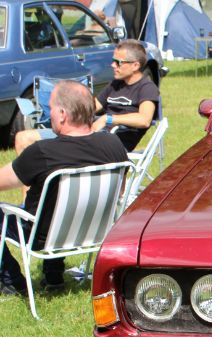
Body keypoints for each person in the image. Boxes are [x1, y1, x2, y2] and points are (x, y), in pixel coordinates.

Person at [0, 81, 128, 296]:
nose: (49, 114)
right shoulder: (114, 145)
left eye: (50, 108)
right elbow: (120, 192)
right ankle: (53, 277)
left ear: (62, 114)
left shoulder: (42, 152)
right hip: (94, 230)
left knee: (45, 213)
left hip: (43, 237)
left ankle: (11, 281)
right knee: (55, 210)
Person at [15, 40, 160, 155]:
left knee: (59, 149)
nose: (112, 65)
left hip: (109, 143)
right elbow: (93, 107)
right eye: (113, 60)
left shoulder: (147, 88)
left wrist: (108, 119)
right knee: (23, 138)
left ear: (135, 65)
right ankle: (34, 185)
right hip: (88, 133)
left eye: (118, 62)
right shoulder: (115, 84)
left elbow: (144, 120)